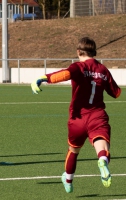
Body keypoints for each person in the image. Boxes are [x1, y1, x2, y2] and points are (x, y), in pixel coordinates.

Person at [31, 37, 121, 193]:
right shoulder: (103, 70)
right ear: (94, 52)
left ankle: (68, 180)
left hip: (77, 118)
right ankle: (102, 160)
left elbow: (65, 74)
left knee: (73, 150)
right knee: (101, 142)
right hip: (97, 116)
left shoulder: (78, 66)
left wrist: (43, 78)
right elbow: (116, 93)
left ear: (78, 52)